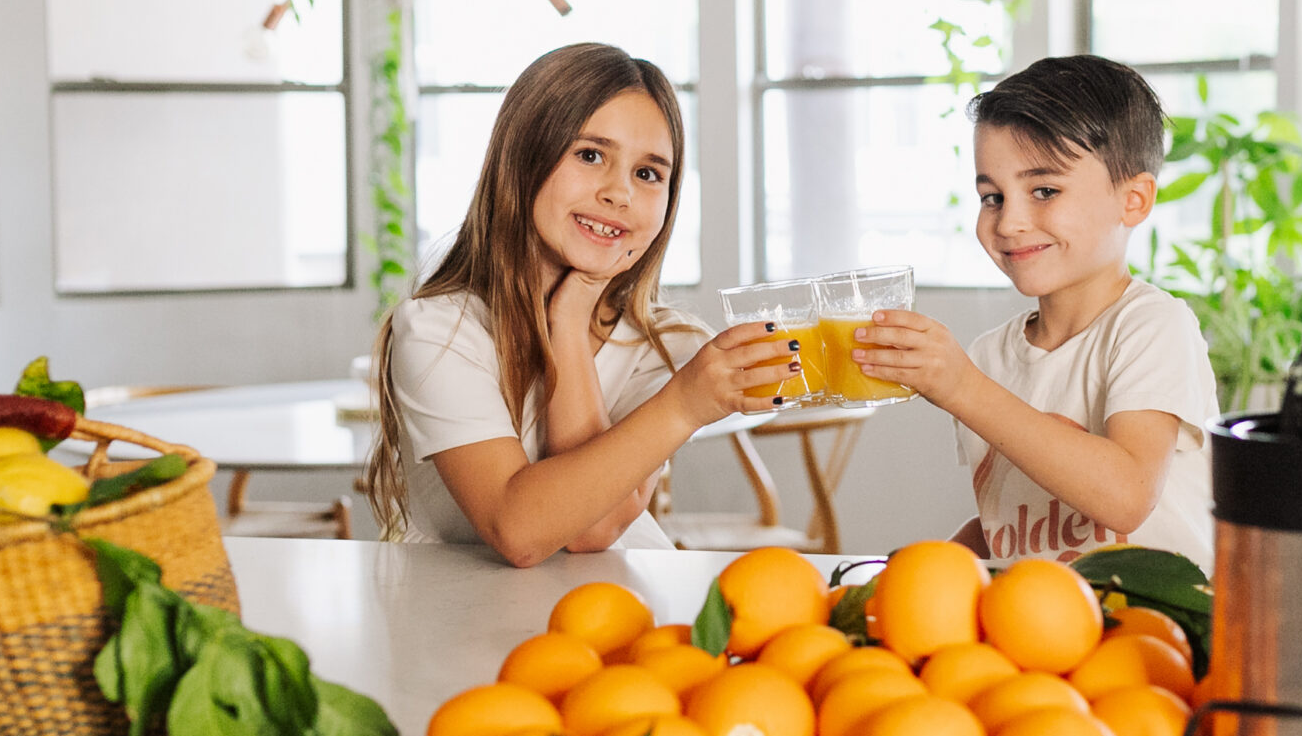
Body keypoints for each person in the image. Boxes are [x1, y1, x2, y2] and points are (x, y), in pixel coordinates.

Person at [365, 43, 799, 566]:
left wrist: (568, 321)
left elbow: (594, 527)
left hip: (619, 620)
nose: (620, 193)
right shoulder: (440, 330)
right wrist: (684, 405)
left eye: (648, 173)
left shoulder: (668, 346)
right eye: (590, 155)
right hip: (461, 622)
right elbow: (520, 529)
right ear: (522, 158)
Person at [848, 55, 1219, 566]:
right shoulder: (987, 356)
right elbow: (1016, 519)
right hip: (1043, 636)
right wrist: (935, 567)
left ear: (1132, 201)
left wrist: (961, 388)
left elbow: (1126, 496)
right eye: (992, 197)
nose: (1010, 222)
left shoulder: (1151, 326)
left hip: (1157, 636)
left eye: (1044, 191)